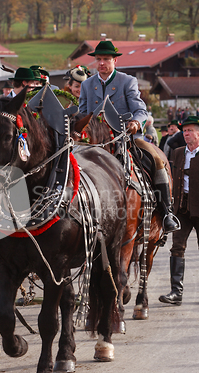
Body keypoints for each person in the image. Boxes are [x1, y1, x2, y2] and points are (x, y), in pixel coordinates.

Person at [79, 40, 179, 233]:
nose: (101, 63)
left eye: (106, 59)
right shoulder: (87, 85)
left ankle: (166, 213)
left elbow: (140, 109)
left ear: (115, 60)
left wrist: (135, 122)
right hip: (94, 141)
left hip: (126, 136)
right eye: (98, 59)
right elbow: (83, 113)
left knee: (156, 159)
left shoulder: (127, 81)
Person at [159, 116, 199, 305]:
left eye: (190, 130)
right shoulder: (178, 153)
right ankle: (176, 292)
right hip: (181, 209)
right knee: (177, 247)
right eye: (184, 131)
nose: (186, 134)